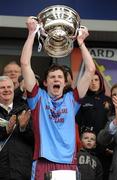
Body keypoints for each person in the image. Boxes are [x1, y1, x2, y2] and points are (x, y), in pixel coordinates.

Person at [20, 16, 95, 180]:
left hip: (68, 162)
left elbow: (90, 70)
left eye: (59, 77)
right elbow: (25, 64)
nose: (56, 80)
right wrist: (32, 33)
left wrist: (81, 42)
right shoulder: (37, 98)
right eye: (52, 77)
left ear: (65, 82)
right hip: (43, 161)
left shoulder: (72, 99)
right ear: (45, 83)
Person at [76, 70, 114, 180]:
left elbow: (114, 125)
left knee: (104, 175)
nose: (93, 83)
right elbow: (76, 124)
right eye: (91, 80)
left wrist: (110, 147)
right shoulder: (82, 101)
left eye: (96, 80)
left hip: (104, 148)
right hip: (87, 148)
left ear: (101, 82)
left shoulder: (109, 101)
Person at [0, 76, 34, 180]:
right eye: (2, 87)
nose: (6, 90)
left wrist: (23, 128)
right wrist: (5, 130)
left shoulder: (25, 109)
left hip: (22, 170)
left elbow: (35, 138)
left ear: (14, 88)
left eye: (9, 87)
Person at [97, 83, 117, 180]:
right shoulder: (111, 117)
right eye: (114, 95)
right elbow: (101, 140)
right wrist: (116, 121)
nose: (116, 97)